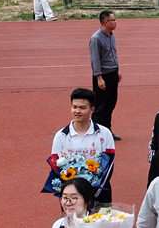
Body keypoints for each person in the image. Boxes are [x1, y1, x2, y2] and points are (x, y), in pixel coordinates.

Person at [44, 88, 115, 204]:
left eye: (82, 108)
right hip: (71, 195)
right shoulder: (61, 136)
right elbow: (56, 166)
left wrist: (95, 189)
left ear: (92, 109)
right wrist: (71, 190)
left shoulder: (104, 133)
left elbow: (109, 165)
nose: (77, 111)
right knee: (72, 217)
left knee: (102, 216)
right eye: (74, 107)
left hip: (99, 192)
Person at [89, 10, 121, 139]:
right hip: (103, 76)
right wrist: (99, 77)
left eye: (115, 20)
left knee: (111, 104)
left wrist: (117, 70)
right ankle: (95, 132)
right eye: (111, 20)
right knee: (100, 106)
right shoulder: (96, 38)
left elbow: (113, 54)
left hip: (113, 73)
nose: (114, 22)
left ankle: (107, 131)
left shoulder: (111, 35)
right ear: (103, 22)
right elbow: (95, 59)